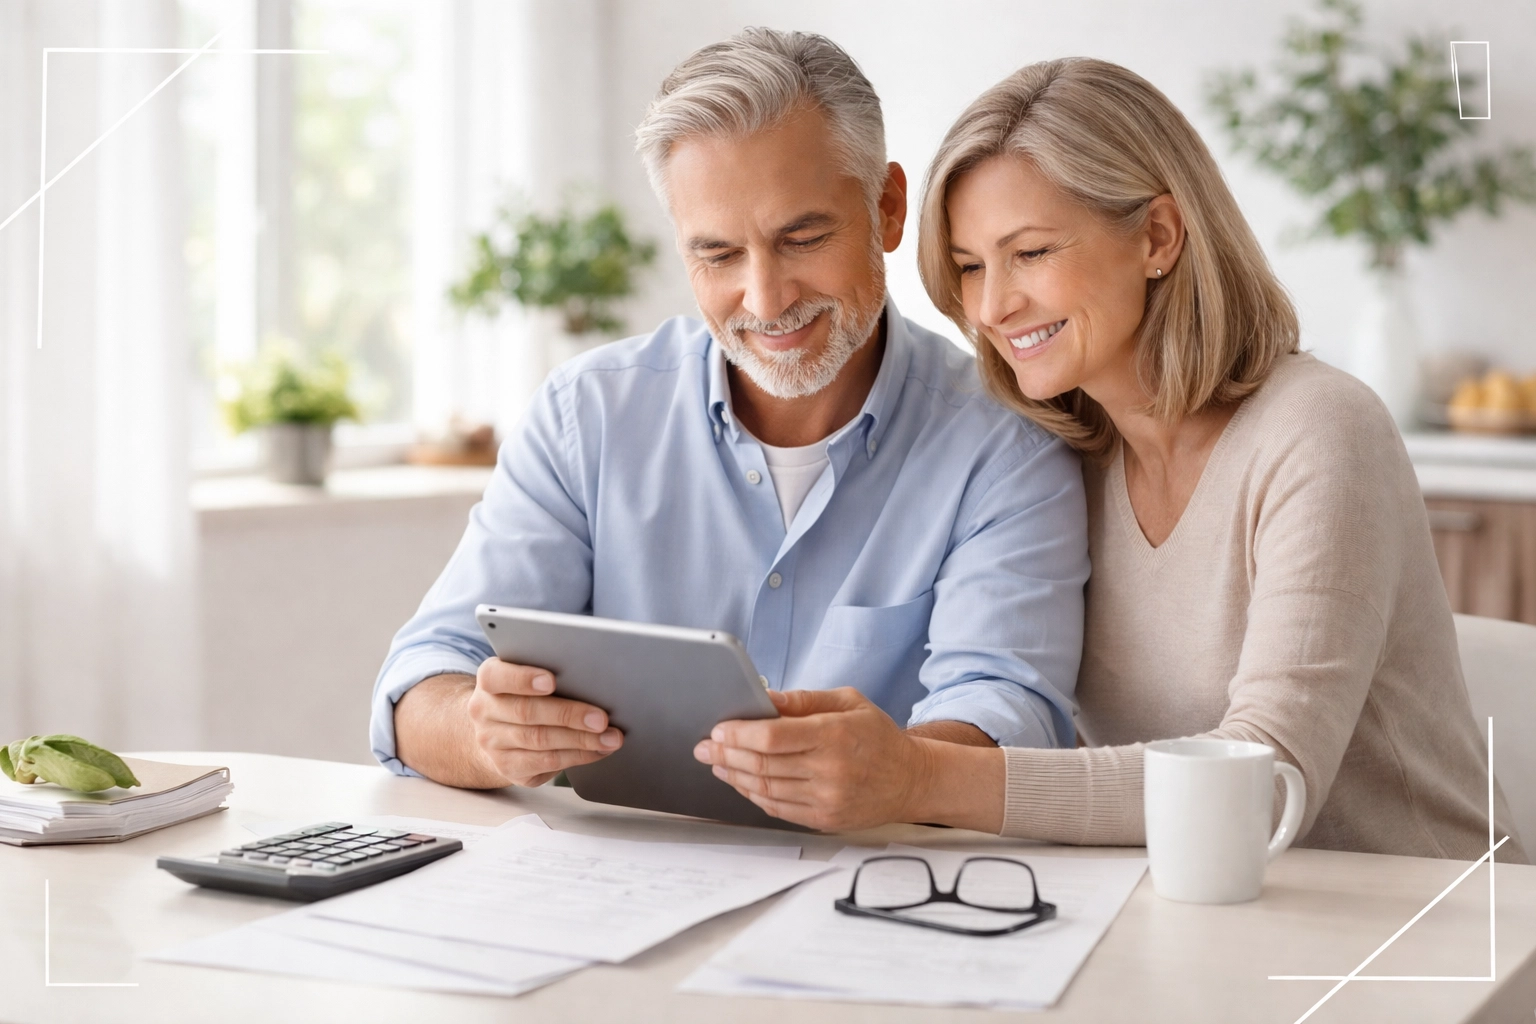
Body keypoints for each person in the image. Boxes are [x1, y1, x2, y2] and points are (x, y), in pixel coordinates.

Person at [372, 29, 1091, 832]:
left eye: (803, 239)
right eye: (717, 255)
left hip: (879, 881)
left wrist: (901, 775)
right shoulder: (587, 417)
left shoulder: (1006, 445)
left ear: (887, 209)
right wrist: (484, 735)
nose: (767, 298)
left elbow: (1011, 715)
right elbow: (418, 687)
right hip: (624, 882)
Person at [913, 56, 1526, 861]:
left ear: (1158, 237)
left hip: (1420, 914)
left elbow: (1265, 782)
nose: (992, 306)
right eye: (969, 267)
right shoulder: (1050, 465)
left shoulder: (1320, 430)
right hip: (1204, 909)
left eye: (1030, 253)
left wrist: (922, 779)